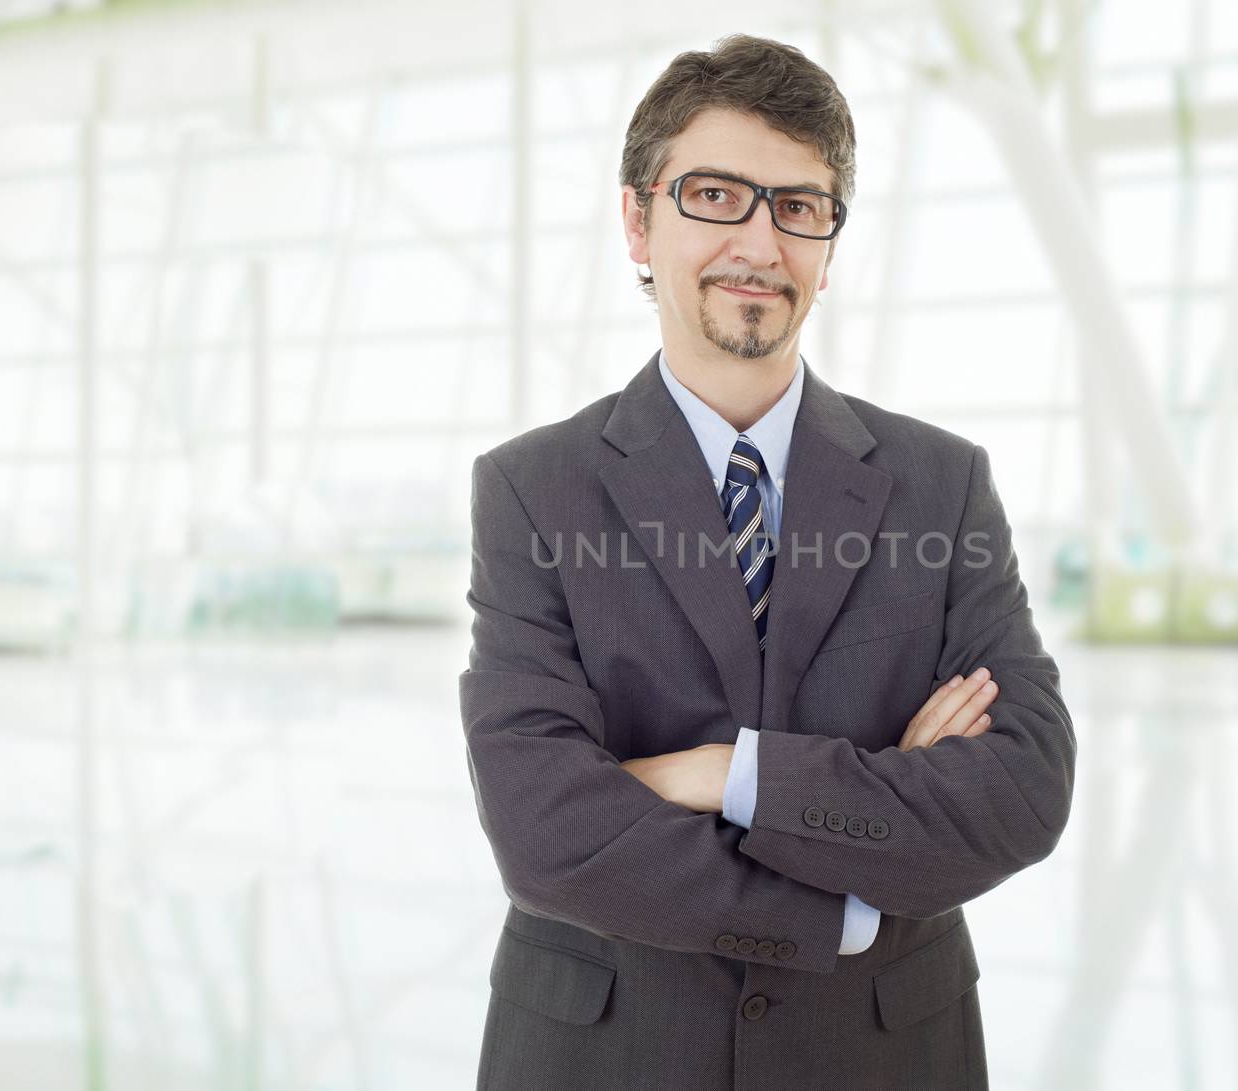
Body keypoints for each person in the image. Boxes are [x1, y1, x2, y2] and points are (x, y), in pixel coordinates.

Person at [459, 33, 1075, 1090]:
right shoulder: (533, 489)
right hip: (608, 1051)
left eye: (798, 206)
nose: (759, 240)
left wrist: (723, 773)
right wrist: (843, 900)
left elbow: (1020, 790)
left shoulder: (941, 483)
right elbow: (544, 828)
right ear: (638, 219)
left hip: (882, 1055)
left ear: (830, 245)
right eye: (715, 194)